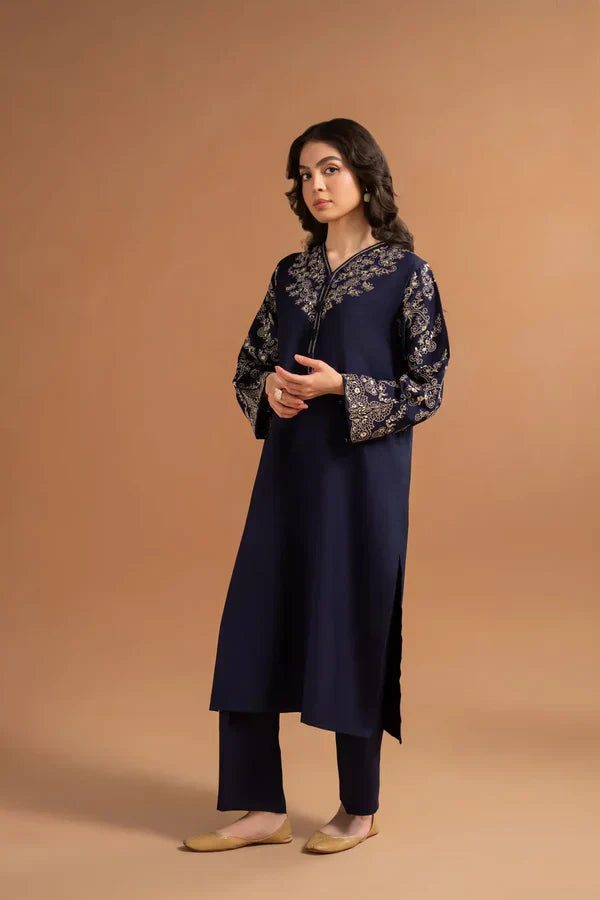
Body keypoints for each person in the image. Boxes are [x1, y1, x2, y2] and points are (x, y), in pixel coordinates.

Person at [183, 118, 451, 855]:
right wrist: (268, 391)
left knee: (352, 622)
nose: (317, 185)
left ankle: (359, 809)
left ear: (365, 173)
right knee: (255, 624)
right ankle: (258, 809)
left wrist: (344, 388)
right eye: (305, 175)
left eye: (331, 168)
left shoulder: (408, 274)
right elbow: (250, 365)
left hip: (363, 482)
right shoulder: (289, 274)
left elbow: (427, 387)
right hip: (288, 476)